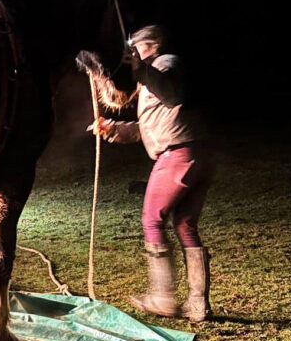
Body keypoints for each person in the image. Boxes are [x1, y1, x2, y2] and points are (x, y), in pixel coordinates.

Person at [89, 24, 211, 321]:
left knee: (152, 220)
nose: (132, 52)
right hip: (195, 154)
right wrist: (113, 130)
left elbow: (173, 94)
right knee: (184, 226)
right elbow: (150, 128)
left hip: (178, 155)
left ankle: (163, 298)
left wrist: (142, 68)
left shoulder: (165, 65)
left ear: (151, 46)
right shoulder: (152, 76)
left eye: (136, 46)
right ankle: (197, 304)